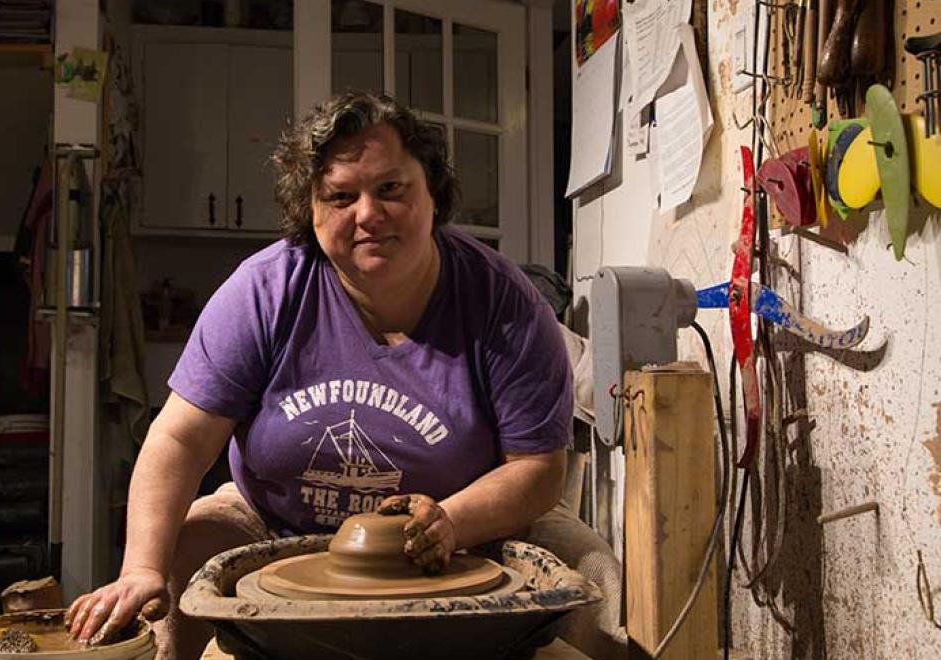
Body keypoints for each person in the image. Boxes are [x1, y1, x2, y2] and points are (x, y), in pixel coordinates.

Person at [66, 91, 625, 659]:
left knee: (591, 571)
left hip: (465, 534)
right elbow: (180, 439)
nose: (367, 214)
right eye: (340, 196)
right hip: (274, 525)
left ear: (433, 193)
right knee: (184, 552)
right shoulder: (265, 291)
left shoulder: (501, 301)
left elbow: (536, 469)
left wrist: (452, 521)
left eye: (390, 189)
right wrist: (140, 568)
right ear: (309, 211)